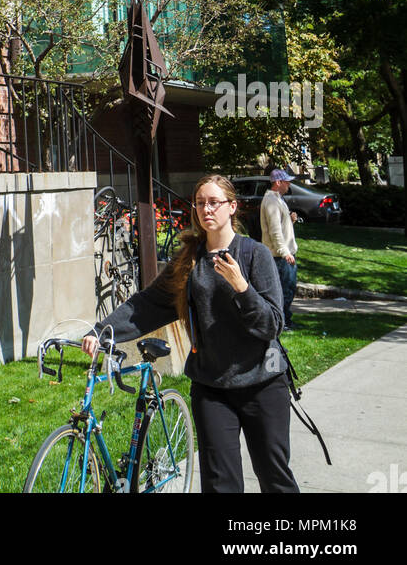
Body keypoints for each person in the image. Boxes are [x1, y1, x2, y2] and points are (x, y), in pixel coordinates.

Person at [82, 174, 299, 494]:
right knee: (220, 483)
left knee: (273, 476)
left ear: (231, 207)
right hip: (212, 387)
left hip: (262, 385)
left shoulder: (254, 255)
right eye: (200, 203)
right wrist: (102, 332)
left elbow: (272, 325)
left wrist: (243, 288)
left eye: (214, 202)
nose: (206, 209)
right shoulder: (189, 261)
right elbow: (147, 305)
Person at [260, 168, 298, 330]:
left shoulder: (278, 199)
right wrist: (285, 253)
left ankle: (286, 321)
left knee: (288, 289)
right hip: (279, 256)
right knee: (283, 291)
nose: (289, 184)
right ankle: (281, 323)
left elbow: (279, 226)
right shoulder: (271, 201)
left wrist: (290, 220)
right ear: (278, 182)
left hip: (284, 254)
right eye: (286, 181)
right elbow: (275, 231)